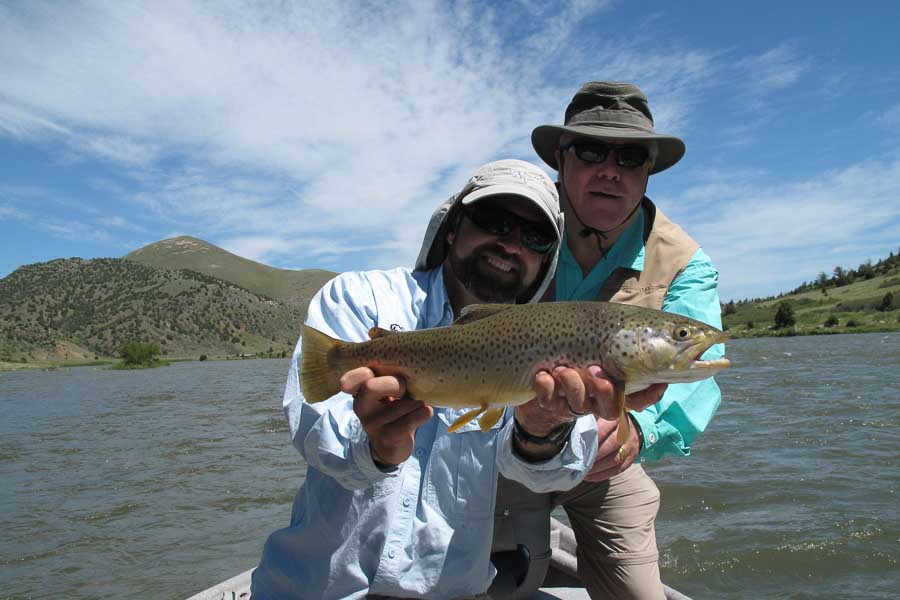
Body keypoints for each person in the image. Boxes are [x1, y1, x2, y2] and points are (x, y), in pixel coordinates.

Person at [250, 159, 603, 600]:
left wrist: (542, 431)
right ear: (453, 228)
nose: (510, 243)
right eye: (495, 220)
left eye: (534, 237)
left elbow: (556, 474)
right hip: (316, 589)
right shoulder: (362, 297)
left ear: (546, 258)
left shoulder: (550, 340)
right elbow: (313, 431)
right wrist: (375, 447)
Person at [493, 81, 725, 599]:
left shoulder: (686, 263)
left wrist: (639, 432)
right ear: (561, 157)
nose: (610, 170)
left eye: (631, 157)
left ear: (648, 170)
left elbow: (697, 370)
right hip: (496, 440)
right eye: (592, 150)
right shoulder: (511, 222)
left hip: (605, 460)